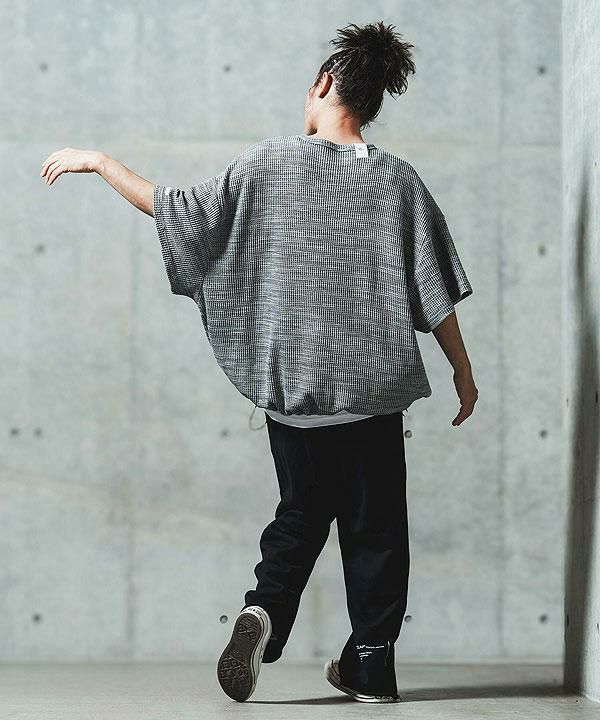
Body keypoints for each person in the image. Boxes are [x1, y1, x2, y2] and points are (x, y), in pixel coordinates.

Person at [39, 20, 478, 705]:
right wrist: (462, 371)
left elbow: (178, 212)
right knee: (377, 531)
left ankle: (263, 610)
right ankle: (371, 664)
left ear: (324, 84)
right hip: (373, 392)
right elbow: (433, 291)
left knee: (301, 512)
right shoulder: (398, 182)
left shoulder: (270, 163)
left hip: (296, 391)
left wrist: (100, 161)